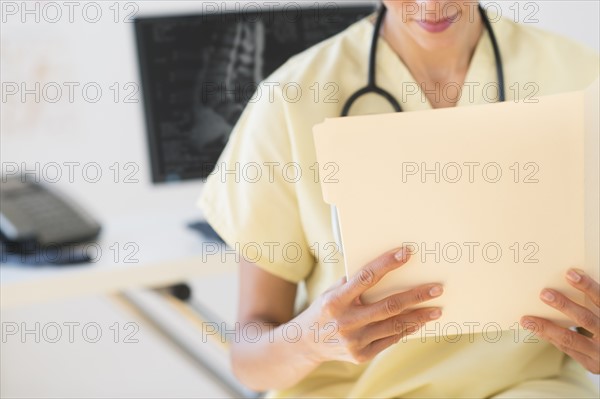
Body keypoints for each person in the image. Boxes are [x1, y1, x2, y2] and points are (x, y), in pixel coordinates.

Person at [199, 1, 600, 397]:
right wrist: (311, 341)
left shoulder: (582, 78)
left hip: (526, 387)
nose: (431, 5)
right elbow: (249, 361)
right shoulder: (291, 99)